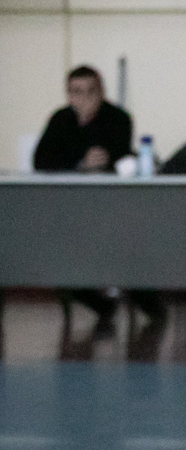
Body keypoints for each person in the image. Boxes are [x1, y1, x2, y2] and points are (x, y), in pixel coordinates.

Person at [33, 65, 166, 331]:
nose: (84, 98)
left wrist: (96, 153)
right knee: (58, 255)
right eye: (77, 92)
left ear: (102, 92)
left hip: (112, 205)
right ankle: (102, 305)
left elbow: (119, 154)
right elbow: (41, 160)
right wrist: (80, 162)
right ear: (69, 95)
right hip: (70, 208)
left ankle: (150, 307)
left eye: (91, 91)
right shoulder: (60, 119)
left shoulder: (118, 117)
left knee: (129, 252)